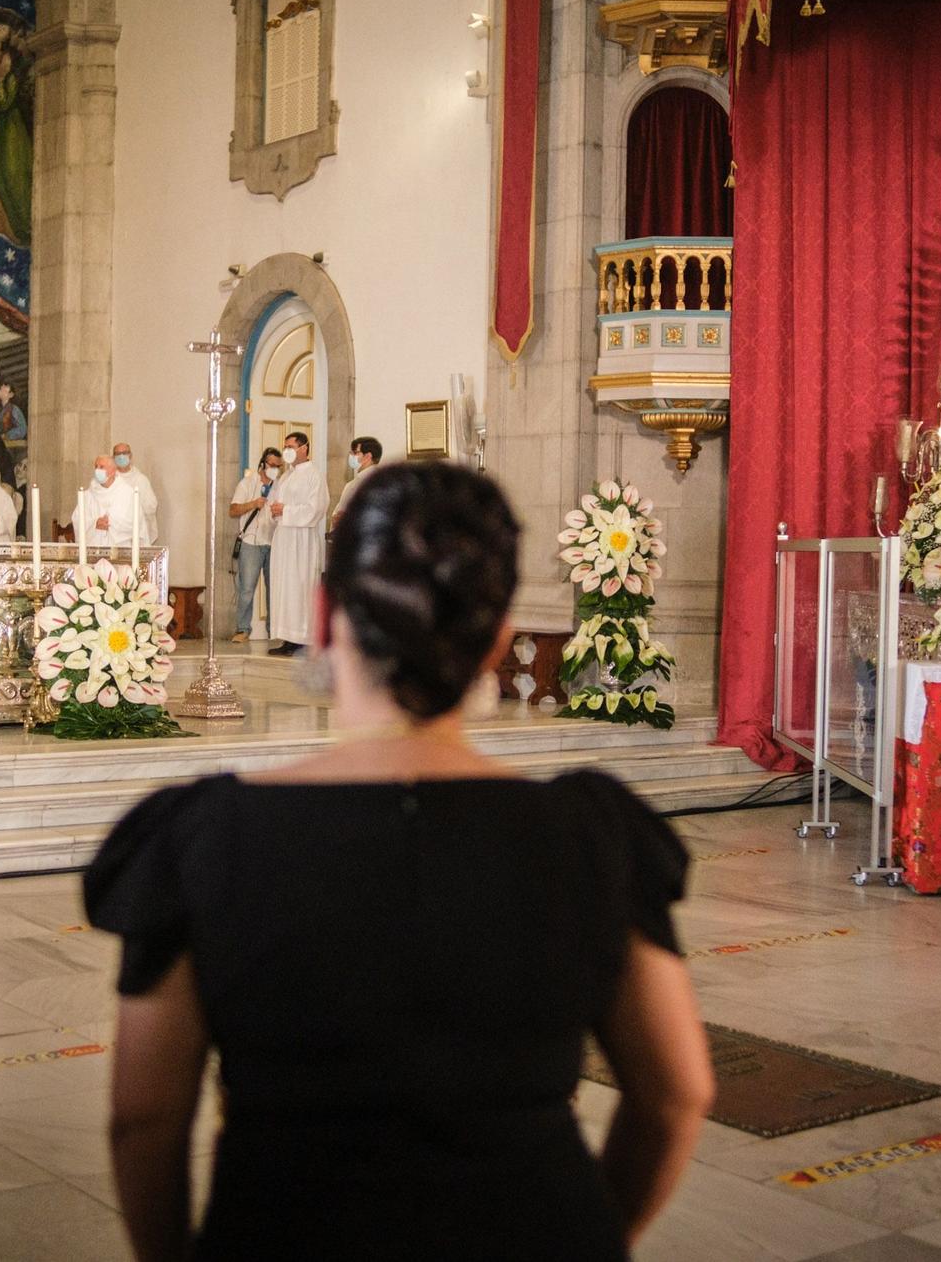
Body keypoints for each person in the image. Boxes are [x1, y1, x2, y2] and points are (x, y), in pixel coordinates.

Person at [83, 463, 712, 1261]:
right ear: (497, 636)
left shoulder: (210, 837)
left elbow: (144, 1116)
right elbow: (676, 1095)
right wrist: (593, 1235)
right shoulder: (591, 833)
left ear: (323, 614)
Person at [266, 431, 328, 656]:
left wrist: (286, 511)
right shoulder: (286, 476)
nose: (287, 451)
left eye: (291, 446)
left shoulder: (314, 475)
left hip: (302, 540)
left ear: (304, 448)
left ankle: (303, 638)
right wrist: (274, 510)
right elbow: (275, 503)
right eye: (285, 447)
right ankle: (288, 638)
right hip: (284, 538)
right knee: (285, 586)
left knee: (301, 587)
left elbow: (317, 508)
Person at [227, 446, 283, 643]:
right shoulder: (247, 483)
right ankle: (243, 629)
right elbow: (233, 510)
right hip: (251, 541)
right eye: (271, 465)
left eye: (278, 466)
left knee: (273, 588)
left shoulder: (281, 485)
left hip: (274, 541)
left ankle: (273, 629)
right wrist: (253, 504)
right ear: (262, 464)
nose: (275, 469)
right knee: (247, 587)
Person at [75, 454, 148, 548]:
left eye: (102, 467)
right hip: (93, 548)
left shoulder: (127, 493)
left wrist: (110, 523)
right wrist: (95, 523)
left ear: (113, 471)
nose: (97, 470)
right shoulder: (88, 494)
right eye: (96, 467)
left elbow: (137, 522)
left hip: (121, 549)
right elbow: (77, 519)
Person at [112, 440, 159, 544]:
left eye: (124, 453)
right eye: (118, 454)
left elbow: (151, 506)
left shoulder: (141, 480)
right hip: (113, 534)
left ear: (130, 455)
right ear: (113, 457)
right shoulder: (109, 479)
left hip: (135, 533)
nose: (121, 456)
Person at [331, 434, 383, 527]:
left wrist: (347, 518)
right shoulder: (351, 484)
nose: (351, 456)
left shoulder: (378, 483)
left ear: (368, 456)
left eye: (355, 452)